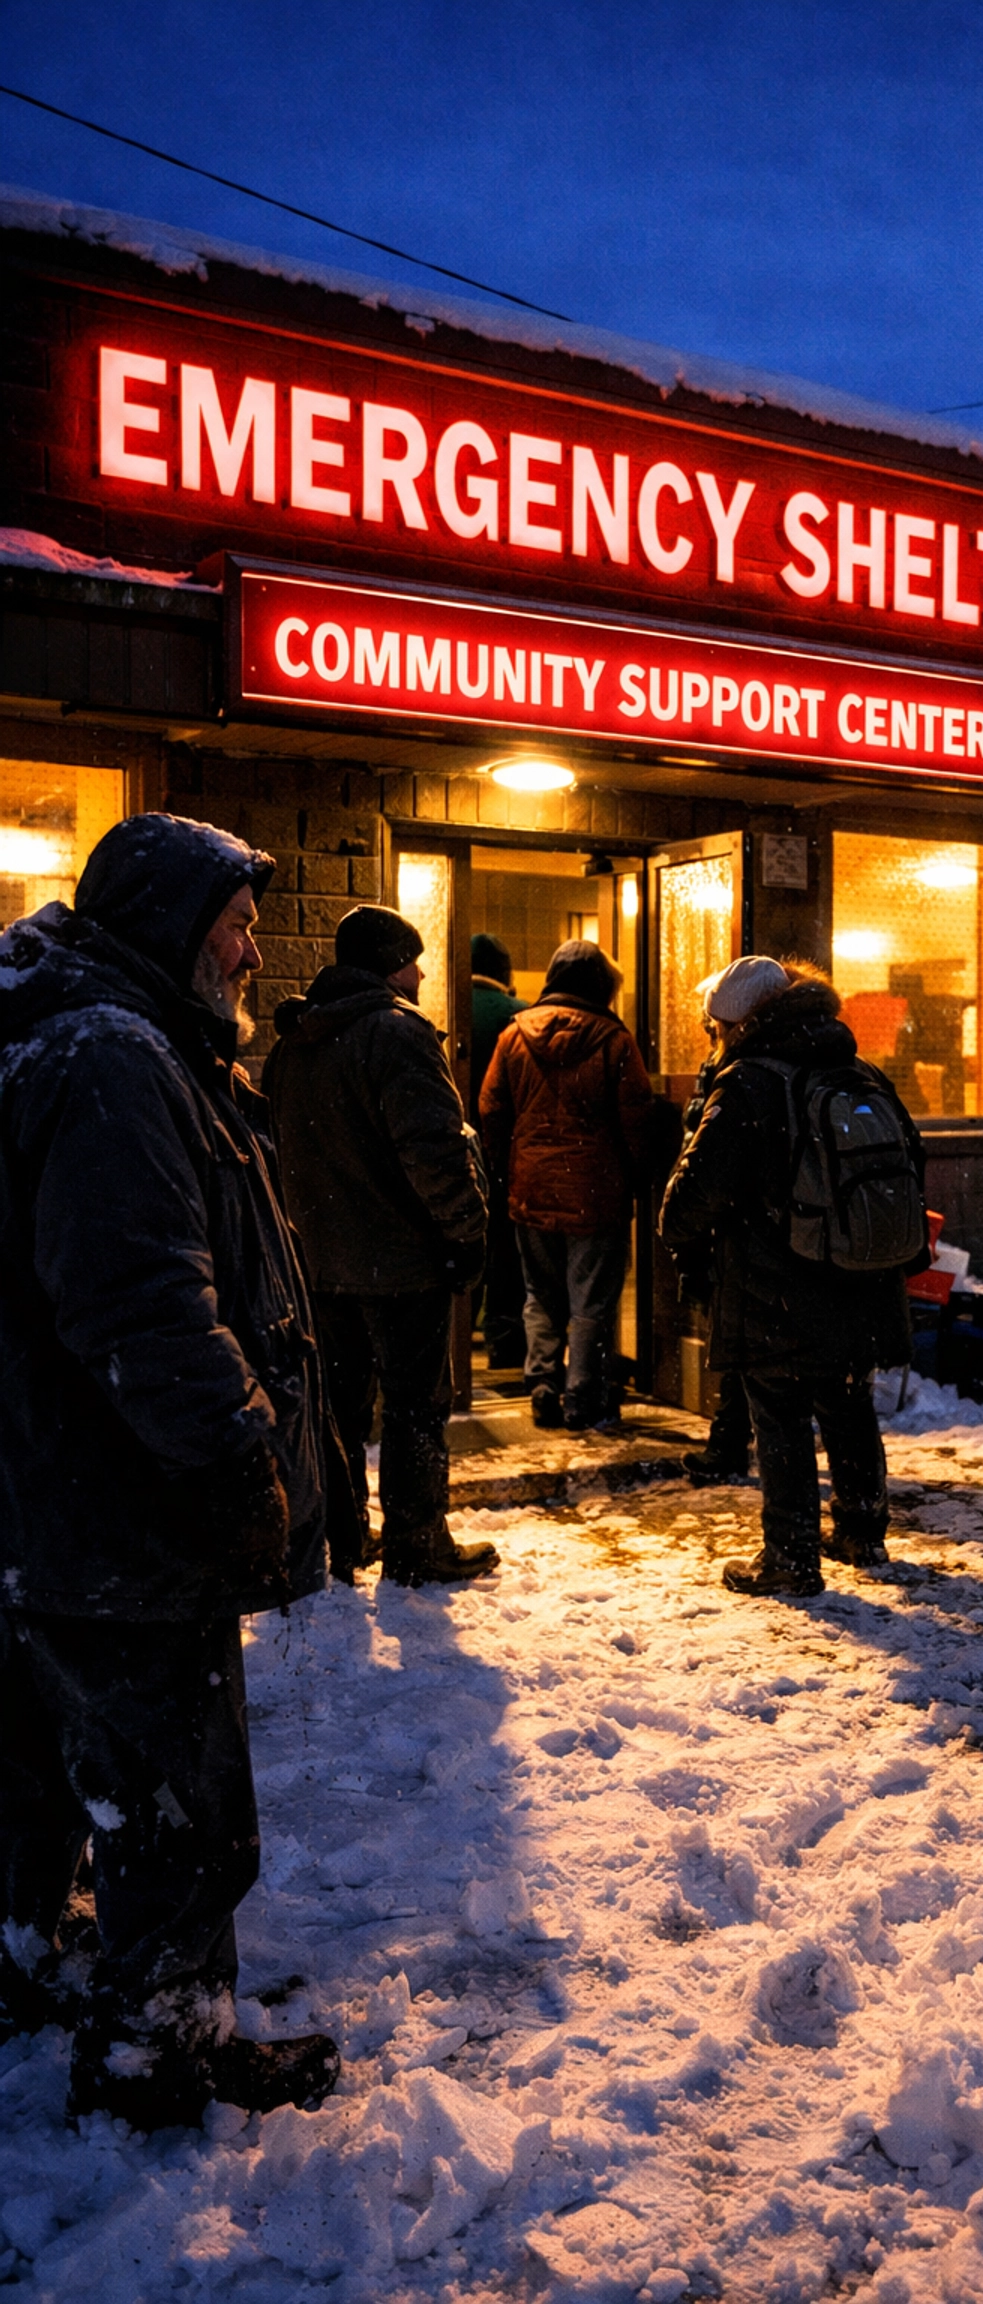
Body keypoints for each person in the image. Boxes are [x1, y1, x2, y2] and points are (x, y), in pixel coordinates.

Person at [0, 812, 340, 2129]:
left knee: (46, 1781)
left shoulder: (83, 1032)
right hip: (124, 1518)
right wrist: (233, 1468)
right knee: (181, 1820)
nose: (255, 950)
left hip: (53, 1506)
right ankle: (160, 2062)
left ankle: (30, 1967)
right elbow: (144, 1309)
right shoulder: (116, 1059)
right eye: (237, 925)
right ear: (168, 926)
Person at [660, 957, 923, 1597]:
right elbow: (912, 1157)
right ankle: (863, 1529)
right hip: (859, 1277)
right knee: (847, 1397)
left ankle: (790, 1555)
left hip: (777, 1281)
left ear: (734, 1023)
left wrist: (680, 1231)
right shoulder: (858, 1070)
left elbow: (696, 1192)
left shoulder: (749, 1083)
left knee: (778, 1412)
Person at [262, 905, 496, 1588]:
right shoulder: (397, 1034)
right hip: (400, 1262)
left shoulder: (294, 1042)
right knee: (416, 1407)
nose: (422, 972)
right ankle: (418, 1543)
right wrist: (466, 1234)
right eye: (414, 960)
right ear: (392, 964)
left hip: (319, 1262)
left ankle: (342, 1537)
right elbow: (433, 1153)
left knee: (337, 1405)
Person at [480, 939, 653, 1432]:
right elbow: (636, 1118)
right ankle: (583, 1394)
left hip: (531, 1186)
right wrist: (638, 1177)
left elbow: (491, 1107)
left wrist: (509, 1162)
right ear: (601, 985)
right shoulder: (615, 1041)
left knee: (540, 1294)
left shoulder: (514, 1036)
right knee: (593, 1300)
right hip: (596, 1192)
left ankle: (541, 1384)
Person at [675, 985, 752, 1486]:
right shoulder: (741, 1071)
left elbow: (708, 1155)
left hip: (742, 1232)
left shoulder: (743, 1077)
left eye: (715, 1025)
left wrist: (679, 1222)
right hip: (763, 1232)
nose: (710, 1033)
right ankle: (858, 1512)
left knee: (742, 1344)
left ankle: (729, 1444)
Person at [469, 933, 528, 1373]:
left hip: (456, 1148)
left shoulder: (444, 1005)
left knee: (464, 1240)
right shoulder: (520, 1017)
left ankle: (457, 1334)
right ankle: (504, 1342)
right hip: (508, 1152)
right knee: (506, 1252)